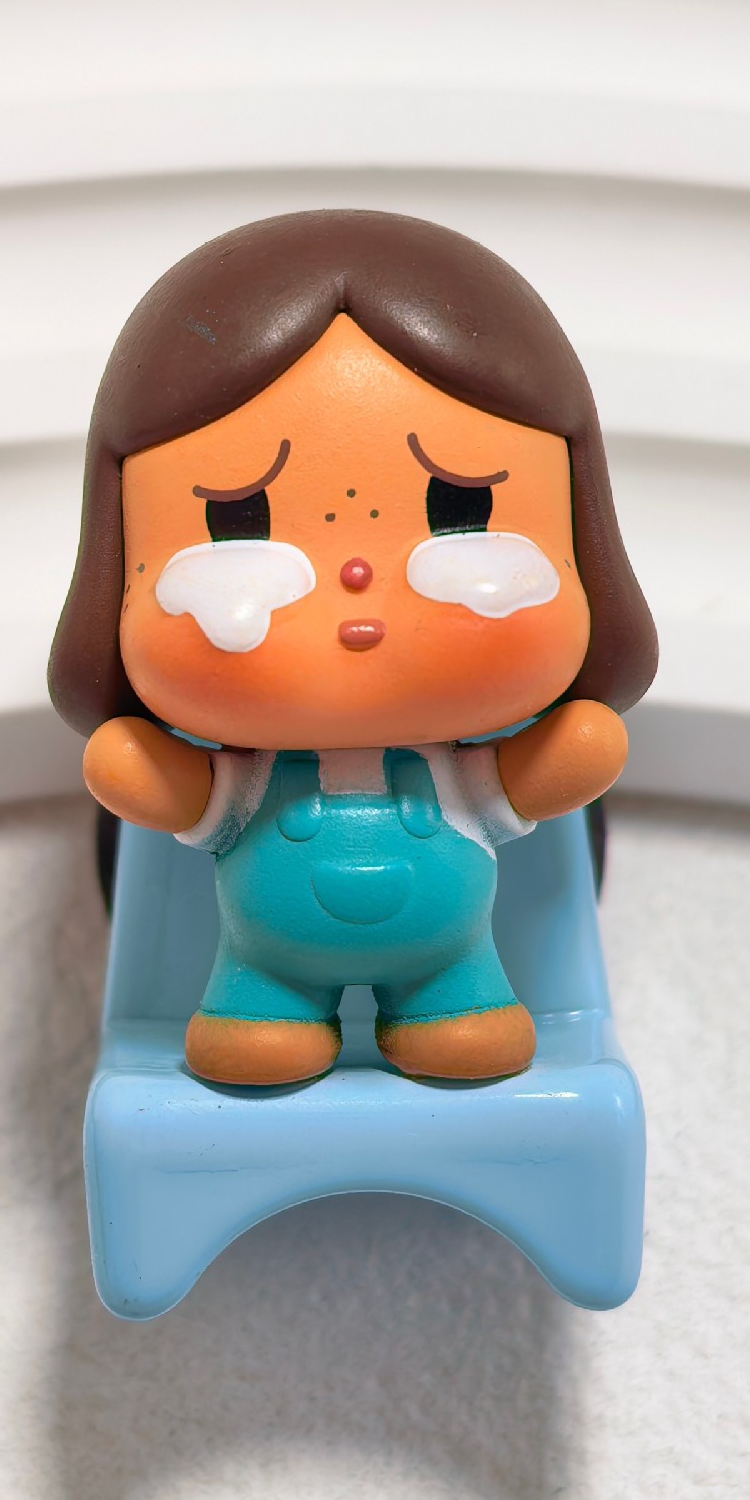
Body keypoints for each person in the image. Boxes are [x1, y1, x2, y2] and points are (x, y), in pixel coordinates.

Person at [49, 209, 657, 1086]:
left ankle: (456, 1007)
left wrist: (576, 751)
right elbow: (170, 789)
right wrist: (138, 771)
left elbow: (550, 769)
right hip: (264, 962)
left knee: (469, 1028)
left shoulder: (458, 772)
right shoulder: (249, 778)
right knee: (255, 1034)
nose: (359, 576)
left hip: (454, 959)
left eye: (459, 508)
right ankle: (261, 1013)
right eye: (239, 518)